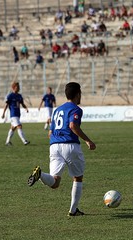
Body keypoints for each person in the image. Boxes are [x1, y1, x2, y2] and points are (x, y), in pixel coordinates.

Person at [28, 82, 96, 216]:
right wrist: (88, 141)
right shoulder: (76, 109)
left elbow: (50, 132)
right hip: (70, 145)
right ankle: (73, 210)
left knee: (55, 183)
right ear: (78, 94)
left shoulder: (58, 110)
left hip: (54, 146)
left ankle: (40, 174)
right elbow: (72, 125)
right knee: (77, 178)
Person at [1, 81, 30, 146]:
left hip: (17, 114)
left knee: (13, 128)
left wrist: (26, 108)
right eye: (17, 87)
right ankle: (24, 141)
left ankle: (7, 141)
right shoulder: (10, 96)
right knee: (19, 126)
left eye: (19, 87)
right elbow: (6, 105)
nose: (19, 88)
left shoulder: (19, 96)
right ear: (13, 88)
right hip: (13, 114)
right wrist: (3, 113)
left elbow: (22, 104)